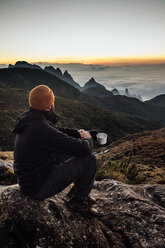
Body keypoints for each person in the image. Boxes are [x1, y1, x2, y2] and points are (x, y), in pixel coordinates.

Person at [12, 85, 99, 217]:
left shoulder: (32, 119)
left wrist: (79, 133)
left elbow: (57, 132)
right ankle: (77, 201)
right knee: (89, 159)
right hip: (37, 187)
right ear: (49, 104)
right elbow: (84, 149)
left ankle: (77, 192)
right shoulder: (39, 127)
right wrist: (88, 140)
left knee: (70, 151)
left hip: (30, 180)